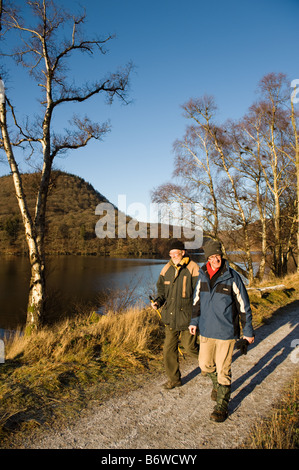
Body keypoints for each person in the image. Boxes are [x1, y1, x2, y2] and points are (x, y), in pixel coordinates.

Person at [189, 239, 255, 422]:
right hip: (206, 330)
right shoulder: (202, 276)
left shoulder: (233, 277)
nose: (214, 259)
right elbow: (196, 302)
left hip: (226, 333)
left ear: (221, 256)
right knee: (204, 365)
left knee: (223, 369)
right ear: (207, 258)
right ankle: (217, 384)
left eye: (217, 256)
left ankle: (221, 407)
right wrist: (193, 322)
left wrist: (248, 331)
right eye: (211, 257)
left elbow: (244, 306)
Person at [152, 239, 200, 389]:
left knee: (189, 347)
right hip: (170, 317)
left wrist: (197, 317)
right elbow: (161, 292)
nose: (173, 256)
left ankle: (209, 364)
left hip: (187, 318)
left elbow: (199, 295)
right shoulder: (166, 269)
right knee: (168, 350)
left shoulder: (193, 268)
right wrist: (158, 302)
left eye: (175, 253)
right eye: (171, 254)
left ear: (183, 253)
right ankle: (174, 379)